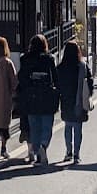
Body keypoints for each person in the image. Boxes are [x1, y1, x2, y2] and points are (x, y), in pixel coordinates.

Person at [17, 33, 59, 166]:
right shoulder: (49, 58)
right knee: (47, 125)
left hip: (31, 96)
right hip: (46, 95)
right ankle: (43, 146)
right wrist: (57, 91)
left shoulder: (25, 58)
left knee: (34, 127)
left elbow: (21, 78)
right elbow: (55, 77)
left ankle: (36, 152)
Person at [57, 40, 94, 164]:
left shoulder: (61, 67)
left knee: (68, 126)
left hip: (66, 100)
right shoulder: (82, 65)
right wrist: (88, 94)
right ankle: (77, 154)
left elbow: (57, 84)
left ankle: (68, 151)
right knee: (78, 128)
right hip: (79, 99)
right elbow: (90, 81)